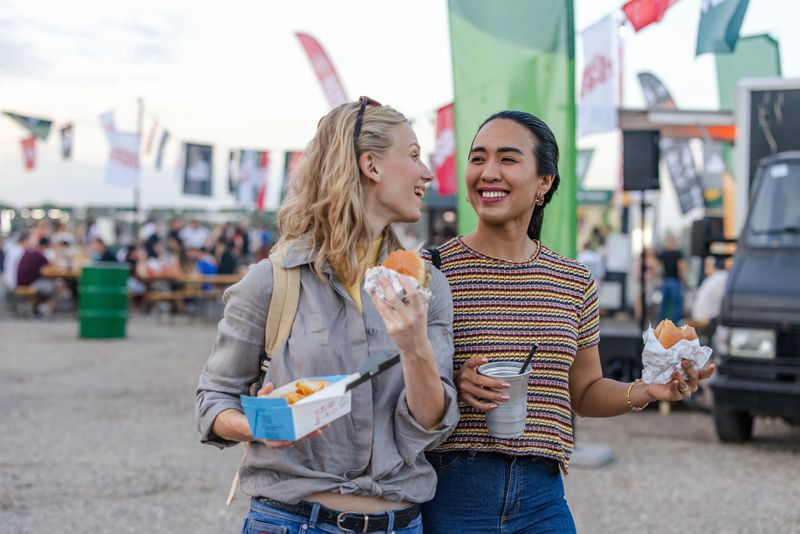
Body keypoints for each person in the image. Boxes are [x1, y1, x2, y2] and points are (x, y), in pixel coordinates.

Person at [420, 111, 716, 533]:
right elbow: (396, 385)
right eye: (478, 158)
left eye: (507, 159)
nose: (488, 172)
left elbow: (586, 391)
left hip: (543, 498)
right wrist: (452, 381)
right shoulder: (429, 270)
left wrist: (649, 390)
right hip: (450, 492)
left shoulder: (573, 280)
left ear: (545, 182)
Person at [196, 97, 459, 534]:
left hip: (402, 523)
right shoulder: (272, 281)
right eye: (413, 156)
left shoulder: (427, 284)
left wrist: (415, 347)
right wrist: (259, 425)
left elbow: (433, 425)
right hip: (294, 522)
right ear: (371, 166)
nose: (426, 173)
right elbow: (212, 400)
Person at [657, 234, 686, 322]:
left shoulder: (663, 254)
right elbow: (681, 267)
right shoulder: (678, 254)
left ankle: (661, 323)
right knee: (676, 304)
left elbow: (658, 267)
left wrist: (659, 277)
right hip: (675, 281)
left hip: (665, 281)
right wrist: (682, 278)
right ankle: (674, 323)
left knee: (664, 303)